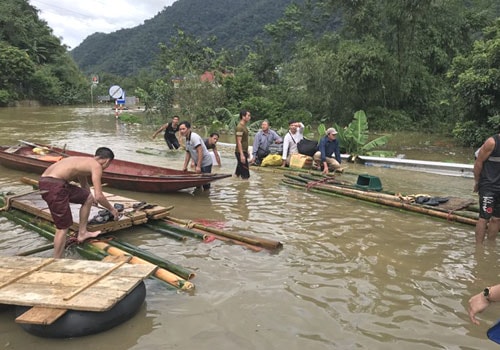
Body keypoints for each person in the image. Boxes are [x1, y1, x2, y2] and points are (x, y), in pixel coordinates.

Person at [38, 147, 120, 258]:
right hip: (54, 186)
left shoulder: (84, 162)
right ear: (107, 161)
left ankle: (82, 233)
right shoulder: (96, 166)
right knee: (63, 227)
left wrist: (91, 200)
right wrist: (112, 210)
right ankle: (57, 260)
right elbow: (99, 196)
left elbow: (85, 187)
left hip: (50, 183)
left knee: (88, 197)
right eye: (108, 164)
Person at [473, 134, 500, 244]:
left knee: (497, 218)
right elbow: (478, 162)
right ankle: (478, 248)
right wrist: (477, 182)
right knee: (484, 217)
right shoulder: (492, 142)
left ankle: (491, 245)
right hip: (488, 185)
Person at [179, 121, 213, 190]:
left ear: (188, 129)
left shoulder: (194, 137)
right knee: (197, 183)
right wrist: (184, 167)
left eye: (183, 129)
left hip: (206, 162)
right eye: (180, 129)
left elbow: (200, 151)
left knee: (205, 184)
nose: (182, 131)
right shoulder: (187, 139)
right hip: (199, 163)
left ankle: (206, 197)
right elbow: (188, 153)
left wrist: (198, 166)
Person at [235, 110, 251, 179]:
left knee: (237, 174)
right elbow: (239, 141)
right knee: (246, 175)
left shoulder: (244, 126)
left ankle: (234, 184)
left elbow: (244, 141)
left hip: (243, 151)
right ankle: (244, 188)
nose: (249, 117)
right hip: (240, 152)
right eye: (248, 115)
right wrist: (242, 154)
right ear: (243, 117)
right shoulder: (239, 127)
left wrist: (246, 151)